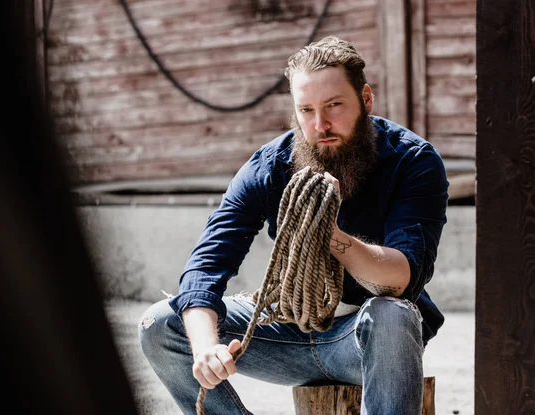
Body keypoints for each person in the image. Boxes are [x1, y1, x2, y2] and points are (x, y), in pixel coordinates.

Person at [138, 36, 449, 415]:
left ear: (366, 99)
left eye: (334, 105)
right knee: (160, 324)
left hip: (367, 343)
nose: (320, 124)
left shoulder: (413, 161)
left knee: (392, 313)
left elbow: (403, 278)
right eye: (306, 110)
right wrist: (205, 348)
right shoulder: (270, 165)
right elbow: (207, 264)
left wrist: (329, 235)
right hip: (288, 332)